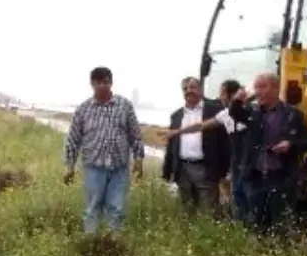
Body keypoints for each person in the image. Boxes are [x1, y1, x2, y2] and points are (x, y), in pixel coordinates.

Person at [63, 66, 145, 235]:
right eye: (98, 82)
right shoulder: (83, 109)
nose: (102, 86)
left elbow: (135, 135)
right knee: (92, 208)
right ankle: (91, 244)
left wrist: (138, 160)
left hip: (119, 169)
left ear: (111, 83)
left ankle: (113, 246)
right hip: (93, 168)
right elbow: (73, 139)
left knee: (116, 209)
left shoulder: (124, 106)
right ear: (92, 84)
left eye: (105, 82)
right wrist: (69, 167)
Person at [228, 73, 307, 234]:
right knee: (255, 226)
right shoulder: (252, 113)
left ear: (275, 89)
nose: (257, 92)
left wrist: (290, 144)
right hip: (256, 179)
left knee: (281, 227)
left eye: (262, 87)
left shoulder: (293, 115)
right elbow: (234, 112)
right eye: (256, 87)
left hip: (282, 179)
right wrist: (237, 99)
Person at [159, 79, 249, 219]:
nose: (189, 90)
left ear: (201, 90)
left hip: (209, 168)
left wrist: (225, 169)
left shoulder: (215, 110)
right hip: (183, 169)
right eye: (185, 88)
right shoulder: (176, 115)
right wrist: (167, 170)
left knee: (210, 210)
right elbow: (175, 143)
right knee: (187, 210)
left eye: (193, 87)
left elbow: (224, 142)